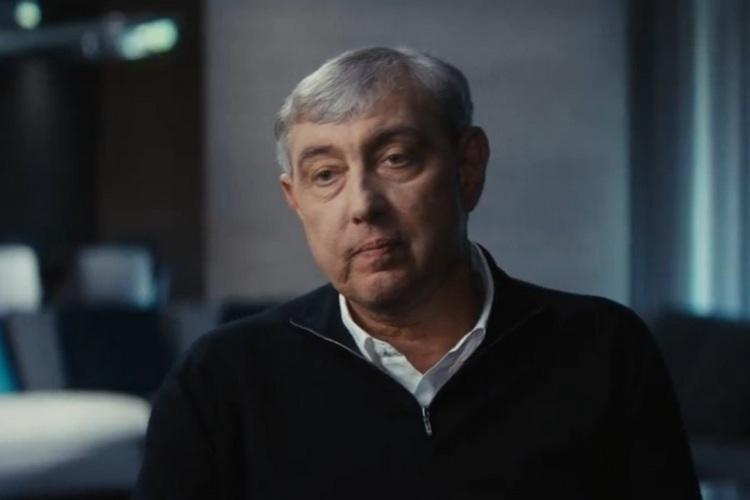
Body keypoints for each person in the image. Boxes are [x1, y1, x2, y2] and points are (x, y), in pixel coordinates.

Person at [135, 47, 701, 499]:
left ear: (468, 166)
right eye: (326, 174)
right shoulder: (223, 380)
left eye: (395, 159)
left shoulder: (602, 348)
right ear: (295, 199)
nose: (363, 204)